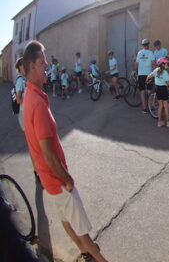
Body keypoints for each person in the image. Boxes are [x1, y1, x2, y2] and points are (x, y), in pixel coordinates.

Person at [21, 40, 109, 262]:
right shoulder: (37, 104)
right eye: (43, 62)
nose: (47, 65)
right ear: (32, 66)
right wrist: (67, 179)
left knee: (66, 219)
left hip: (48, 179)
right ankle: (96, 256)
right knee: (82, 230)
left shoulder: (32, 97)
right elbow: (48, 154)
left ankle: (84, 251)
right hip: (56, 179)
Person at [147, 57, 169, 127]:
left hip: (157, 89)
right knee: (166, 106)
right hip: (164, 89)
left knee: (160, 106)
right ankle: (168, 122)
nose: (167, 65)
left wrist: (147, 80)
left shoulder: (156, 70)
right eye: (166, 64)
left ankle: (159, 122)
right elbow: (168, 82)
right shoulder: (165, 72)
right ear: (163, 64)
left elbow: (149, 76)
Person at [135, 39, 155, 113]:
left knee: (142, 91)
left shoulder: (139, 53)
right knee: (149, 90)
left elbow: (136, 63)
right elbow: (153, 63)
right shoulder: (150, 53)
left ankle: (144, 108)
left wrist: (135, 70)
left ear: (142, 45)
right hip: (149, 74)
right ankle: (151, 107)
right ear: (148, 45)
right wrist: (154, 72)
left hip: (141, 74)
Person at [14, 58, 26, 131]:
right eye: (23, 65)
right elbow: (18, 100)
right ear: (19, 68)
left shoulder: (24, 79)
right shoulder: (20, 80)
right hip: (23, 112)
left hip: (26, 111)